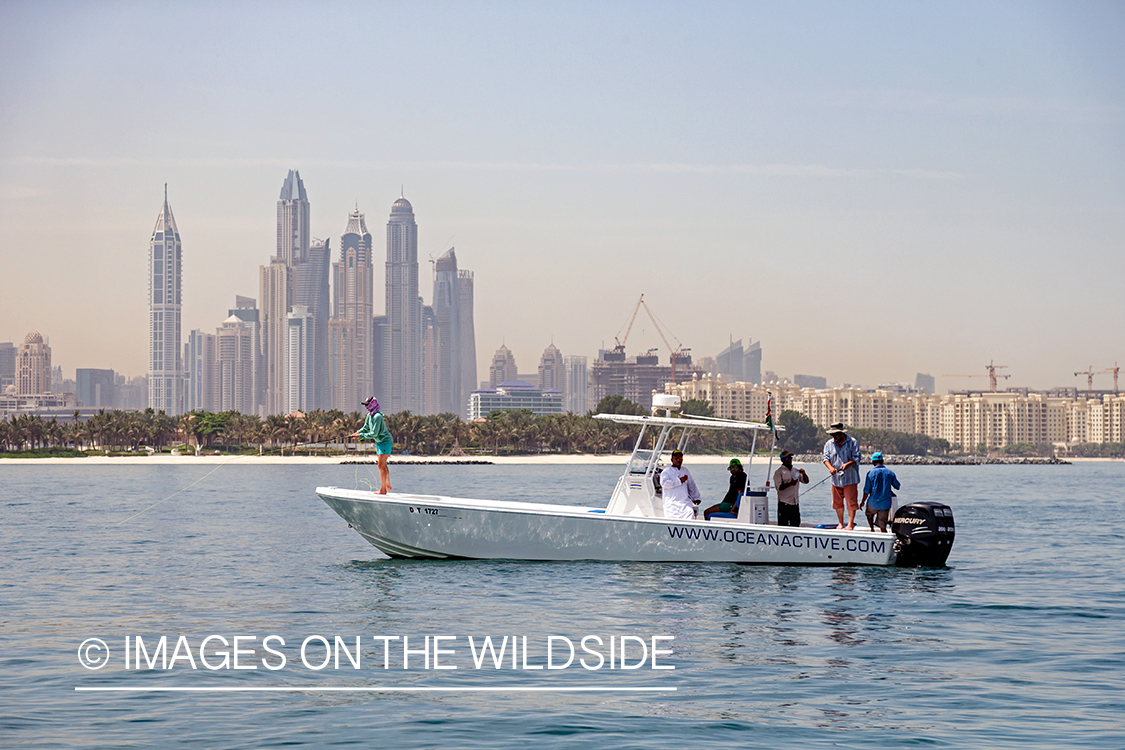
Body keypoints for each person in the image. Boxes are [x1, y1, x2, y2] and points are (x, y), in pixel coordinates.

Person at [823, 422, 861, 530]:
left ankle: (850, 524)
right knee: (837, 503)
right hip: (835, 480)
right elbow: (826, 459)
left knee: (851, 502)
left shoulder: (853, 442)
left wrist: (848, 464)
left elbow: (857, 458)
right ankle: (840, 523)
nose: (834, 436)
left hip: (850, 478)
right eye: (832, 434)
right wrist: (830, 468)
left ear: (841, 433)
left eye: (836, 434)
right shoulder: (829, 444)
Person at [352, 396, 393, 494]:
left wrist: (361, 436)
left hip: (385, 441)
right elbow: (365, 428)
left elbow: (374, 433)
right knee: (383, 464)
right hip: (379, 442)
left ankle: (383, 489)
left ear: (373, 404)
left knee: (380, 464)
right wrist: (357, 433)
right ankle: (387, 484)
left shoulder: (378, 416)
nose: (366, 406)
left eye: (367, 404)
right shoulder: (369, 415)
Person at [861, 452, 900, 532]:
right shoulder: (890, 473)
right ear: (883, 460)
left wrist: (862, 502)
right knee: (883, 525)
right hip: (885, 504)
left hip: (873, 503)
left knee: (869, 514)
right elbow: (897, 486)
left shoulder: (870, 473)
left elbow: (866, 490)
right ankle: (883, 532)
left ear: (873, 462)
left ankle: (872, 529)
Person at [659, 450, 701, 520]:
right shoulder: (666, 471)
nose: (678, 460)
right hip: (671, 504)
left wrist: (696, 497)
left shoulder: (685, 471)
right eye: (676, 458)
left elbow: (691, 485)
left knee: (690, 515)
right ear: (672, 460)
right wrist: (679, 481)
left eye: (680, 458)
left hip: (685, 504)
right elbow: (664, 484)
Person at [773, 450, 809, 527]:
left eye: (790, 458)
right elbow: (779, 487)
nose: (789, 460)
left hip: (795, 503)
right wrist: (790, 483)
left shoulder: (795, 471)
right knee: (783, 525)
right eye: (786, 459)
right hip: (784, 503)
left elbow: (806, 481)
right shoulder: (778, 472)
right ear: (782, 460)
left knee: (795, 524)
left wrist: (804, 474)